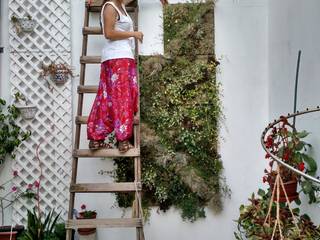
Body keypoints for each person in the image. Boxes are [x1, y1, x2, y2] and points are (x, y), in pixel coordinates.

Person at [87, 0, 167, 153]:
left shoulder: (120, 4)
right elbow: (108, 34)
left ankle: (96, 139)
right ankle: (122, 140)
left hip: (124, 58)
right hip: (117, 58)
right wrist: (133, 33)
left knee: (112, 98)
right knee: (121, 98)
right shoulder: (110, 7)